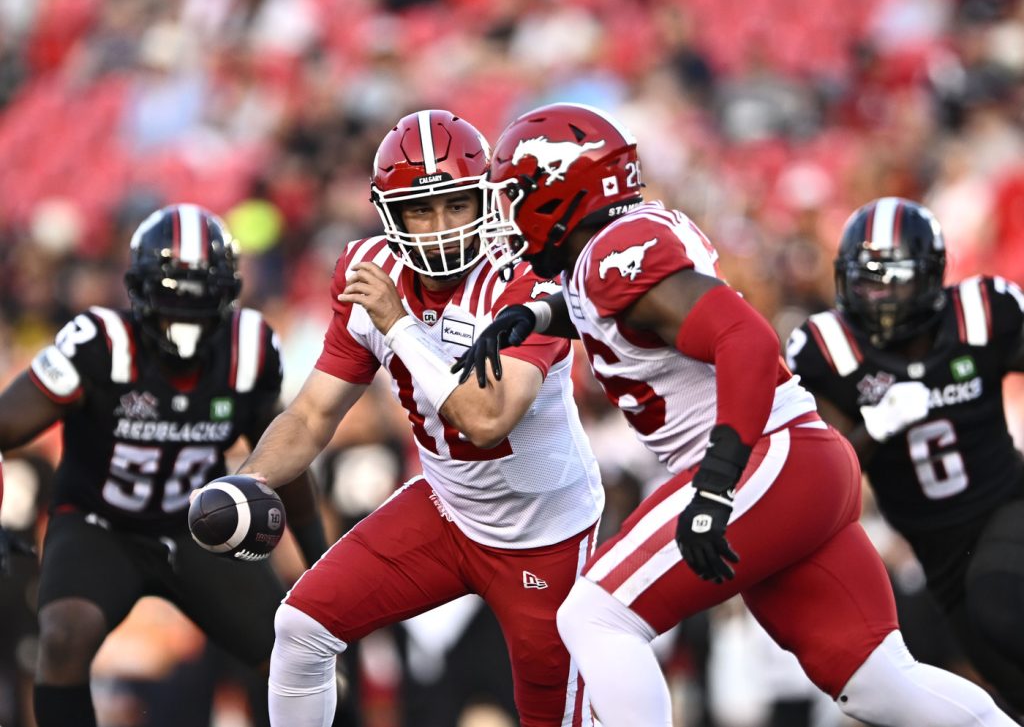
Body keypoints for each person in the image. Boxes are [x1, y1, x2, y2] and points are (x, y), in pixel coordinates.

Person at [454, 102, 1016, 727]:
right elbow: (629, 310)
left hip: (764, 458)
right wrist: (535, 316)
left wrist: (718, 483)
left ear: (558, 191)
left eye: (514, 195)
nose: (505, 216)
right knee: (878, 682)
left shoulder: (619, 251)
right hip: (799, 460)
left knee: (594, 615)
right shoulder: (622, 246)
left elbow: (747, 340)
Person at [218, 109, 604, 727]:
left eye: (455, 205)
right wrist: (250, 479)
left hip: (543, 535)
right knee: (300, 627)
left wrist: (400, 324)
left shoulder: (527, 274)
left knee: (549, 717)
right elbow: (315, 413)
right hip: (448, 509)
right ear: (388, 215)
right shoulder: (372, 272)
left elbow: (487, 419)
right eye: (419, 210)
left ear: (487, 202)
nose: (440, 227)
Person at [0, 204, 330, 727]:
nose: (188, 315)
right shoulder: (99, 343)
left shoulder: (249, 349)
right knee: (63, 636)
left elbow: (285, 452)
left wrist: (319, 559)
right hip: (98, 523)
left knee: (290, 648)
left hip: (200, 523)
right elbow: (4, 425)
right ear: (138, 291)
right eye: (175, 297)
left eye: (202, 297)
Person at [785, 196, 1024, 712]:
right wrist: (876, 429)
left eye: (895, 280)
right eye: (868, 281)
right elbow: (818, 474)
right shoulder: (827, 349)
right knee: (1008, 687)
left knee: (1000, 605)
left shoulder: (982, 314)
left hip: (1007, 506)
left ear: (933, 276)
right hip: (936, 552)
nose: (880, 298)